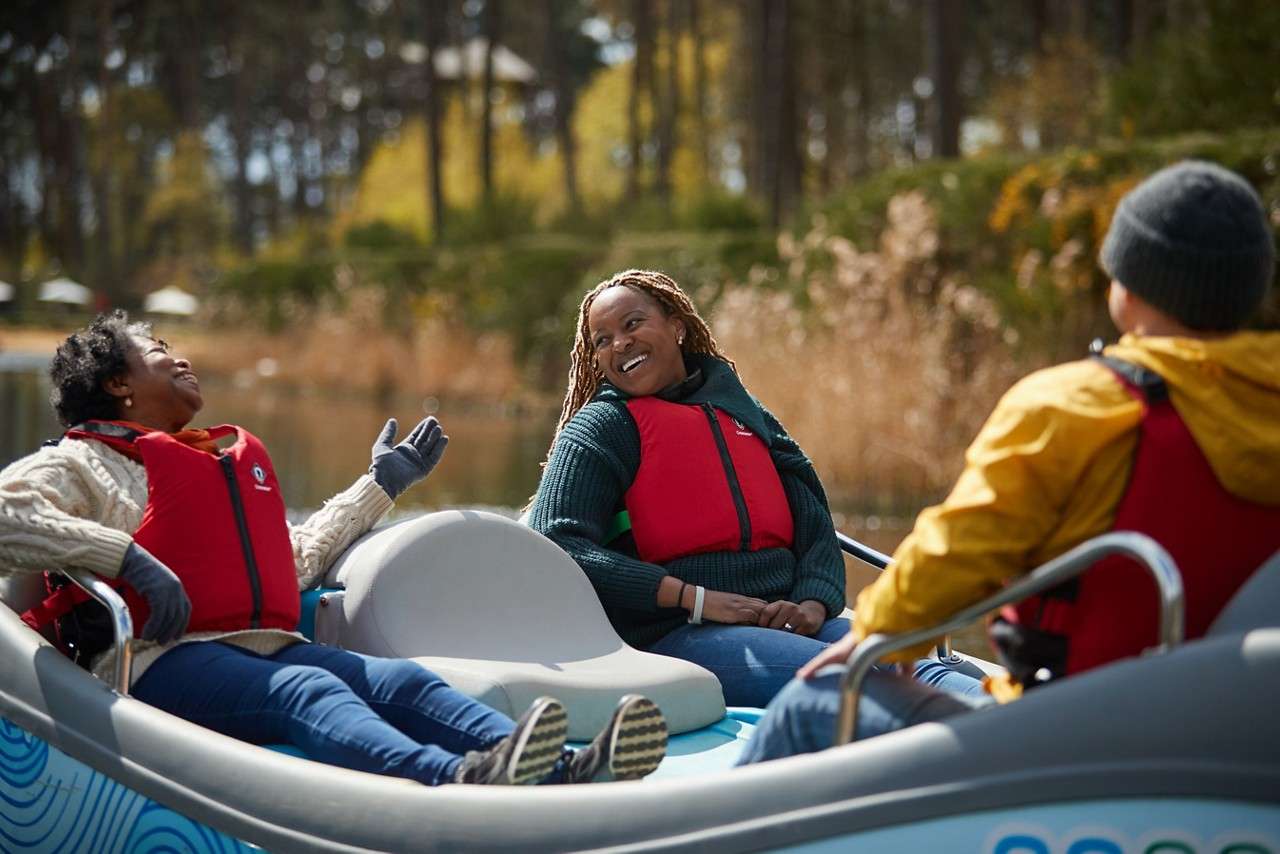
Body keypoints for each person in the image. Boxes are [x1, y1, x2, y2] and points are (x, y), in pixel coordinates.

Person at [736, 159, 1280, 763]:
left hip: (1073, 743)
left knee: (814, 700)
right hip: (1231, 743)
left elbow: (957, 550)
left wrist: (874, 638)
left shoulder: (1080, 406)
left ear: (1127, 282)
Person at [0, 310, 668, 786]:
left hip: (261, 644)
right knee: (308, 690)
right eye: (156, 351)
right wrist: (126, 557)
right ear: (118, 385)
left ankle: (564, 770)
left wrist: (382, 483)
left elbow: (291, 561)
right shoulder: (84, 461)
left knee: (397, 679)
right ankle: (458, 782)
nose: (180, 356)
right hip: (157, 664)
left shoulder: (213, 462)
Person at [527, 269, 855, 708]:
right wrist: (694, 599)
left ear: (677, 327)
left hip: (788, 620)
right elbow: (557, 544)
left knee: (916, 659)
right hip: (676, 634)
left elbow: (814, 521)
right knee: (843, 678)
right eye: (601, 340)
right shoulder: (600, 429)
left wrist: (812, 605)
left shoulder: (744, 412)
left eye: (632, 324)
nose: (619, 344)